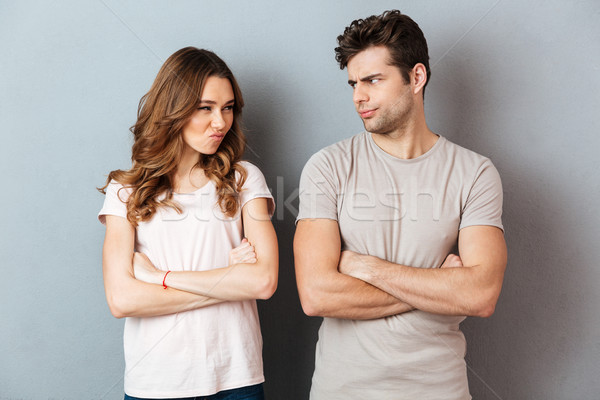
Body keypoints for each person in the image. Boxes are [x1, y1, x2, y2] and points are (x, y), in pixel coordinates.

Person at [294, 10, 507, 400]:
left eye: (373, 80)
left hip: (439, 390)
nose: (359, 96)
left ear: (416, 77)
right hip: (342, 390)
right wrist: (441, 286)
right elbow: (317, 294)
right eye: (353, 83)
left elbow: (480, 295)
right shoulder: (328, 166)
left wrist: (363, 266)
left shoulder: (475, 173)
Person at [98, 47, 278, 400]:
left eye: (227, 108)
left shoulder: (245, 179)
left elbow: (263, 281)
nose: (220, 122)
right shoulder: (126, 190)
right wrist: (227, 280)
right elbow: (122, 300)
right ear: (174, 108)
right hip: (157, 382)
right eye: (206, 108)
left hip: (236, 378)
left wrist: (159, 279)